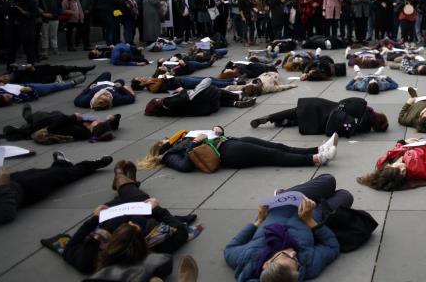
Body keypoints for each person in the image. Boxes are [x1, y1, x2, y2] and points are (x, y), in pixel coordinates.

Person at [45, 160, 197, 274]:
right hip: (138, 206)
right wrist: (156, 209)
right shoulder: (158, 244)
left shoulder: (90, 258)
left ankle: (121, 177)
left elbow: (70, 247)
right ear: (143, 244)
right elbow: (181, 232)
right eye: (134, 226)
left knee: (132, 194)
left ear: (112, 239)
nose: (130, 222)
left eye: (127, 225)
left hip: (112, 210)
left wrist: (96, 218)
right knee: (139, 195)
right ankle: (123, 178)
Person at [224, 174, 352, 282]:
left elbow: (230, 248)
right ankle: (316, 199)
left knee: (329, 180)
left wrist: (258, 221)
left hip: (284, 204)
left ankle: (282, 193)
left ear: (266, 264)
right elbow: (332, 247)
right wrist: (310, 221)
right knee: (346, 195)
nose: (293, 253)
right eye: (295, 261)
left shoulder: (247, 258)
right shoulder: (308, 265)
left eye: (285, 256)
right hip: (314, 213)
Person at [0, 152, 113, 228]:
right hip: (24, 190)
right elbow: (6, 213)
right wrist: (3, 185)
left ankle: (61, 164)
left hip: (8, 182)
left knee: (48, 172)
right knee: (60, 176)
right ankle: (92, 165)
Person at [138, 127, 339, 171]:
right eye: (163, 140)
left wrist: (217, 130)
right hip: (227, 154)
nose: (167, 138)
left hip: (228, 141)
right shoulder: (168, 155)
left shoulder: (179, 140)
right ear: (160, 147)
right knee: (274, 155)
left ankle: (319, 148)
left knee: (278, 146)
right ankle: (316, 159)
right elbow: (184, 165)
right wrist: (194, 142)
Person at [249, 97, 389, 138]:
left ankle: (271, 117)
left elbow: (343, 101)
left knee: (296, 111)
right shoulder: (363, 127)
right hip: (324, 122)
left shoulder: (362, 103)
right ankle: (288, 122)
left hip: (325, 106)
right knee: (301, 120)